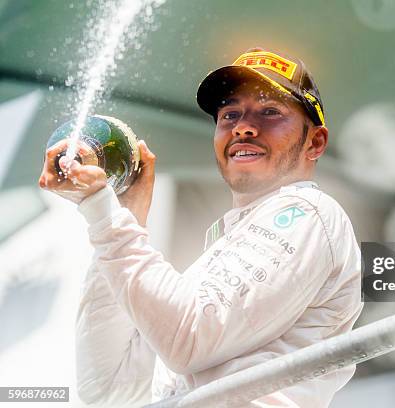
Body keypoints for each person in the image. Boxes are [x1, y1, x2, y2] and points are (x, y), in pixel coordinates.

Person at [38, 47, 363, 407]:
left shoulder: (311, 213)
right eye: (230, 114)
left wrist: (104, 213)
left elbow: (189, 339)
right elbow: (109, 387)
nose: (243, 127)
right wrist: (123, 214)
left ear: (315, 142)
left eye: (270, 112)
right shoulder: (215, 258)